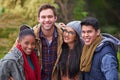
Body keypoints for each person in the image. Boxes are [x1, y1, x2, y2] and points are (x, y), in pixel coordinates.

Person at [32, 4, 63, 80]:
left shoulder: (63, 35)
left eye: (50, 16)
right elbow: (14, 53)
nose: (47, 20)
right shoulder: (31, 35)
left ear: (55, 18)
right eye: (43, 17)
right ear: (38, 19)